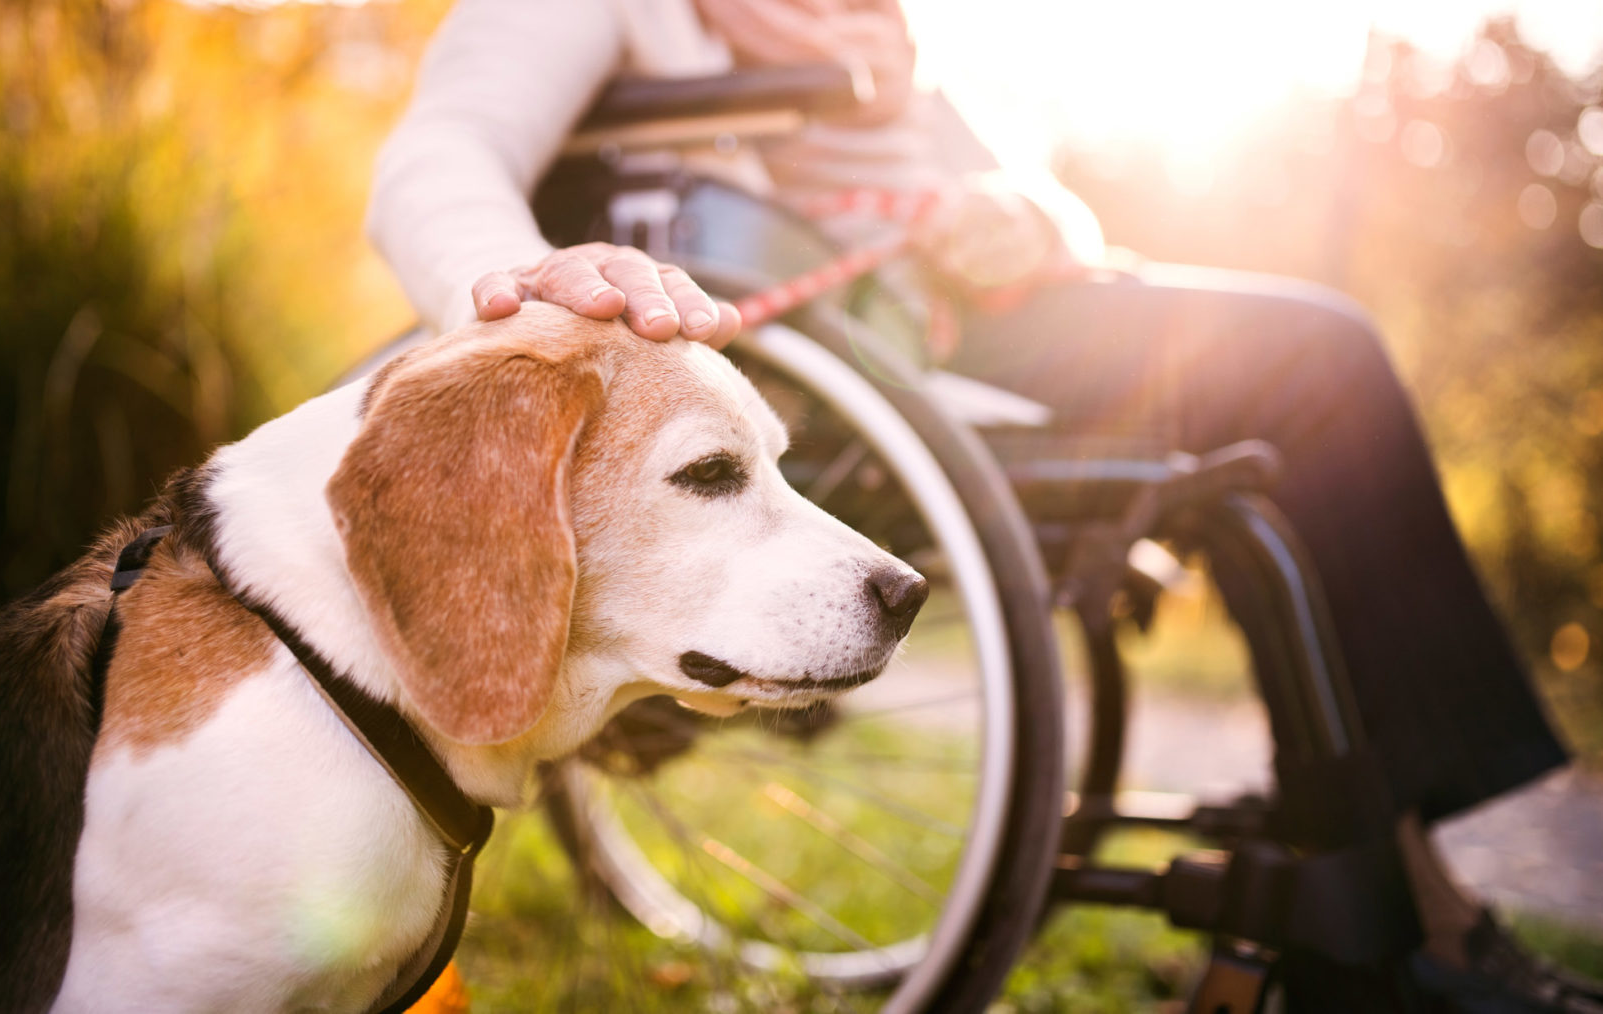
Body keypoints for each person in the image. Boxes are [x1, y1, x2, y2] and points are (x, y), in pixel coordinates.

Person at [367, 0, 1577, 1002]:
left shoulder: (880, 34)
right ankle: (1403, 905)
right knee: (1311, 367)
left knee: (1314, 368)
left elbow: (1044, 203)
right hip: (800, 349)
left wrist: (1022, 215)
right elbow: (438, 155)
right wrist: (527, 292)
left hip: (980, 330)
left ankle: (1378, 870)